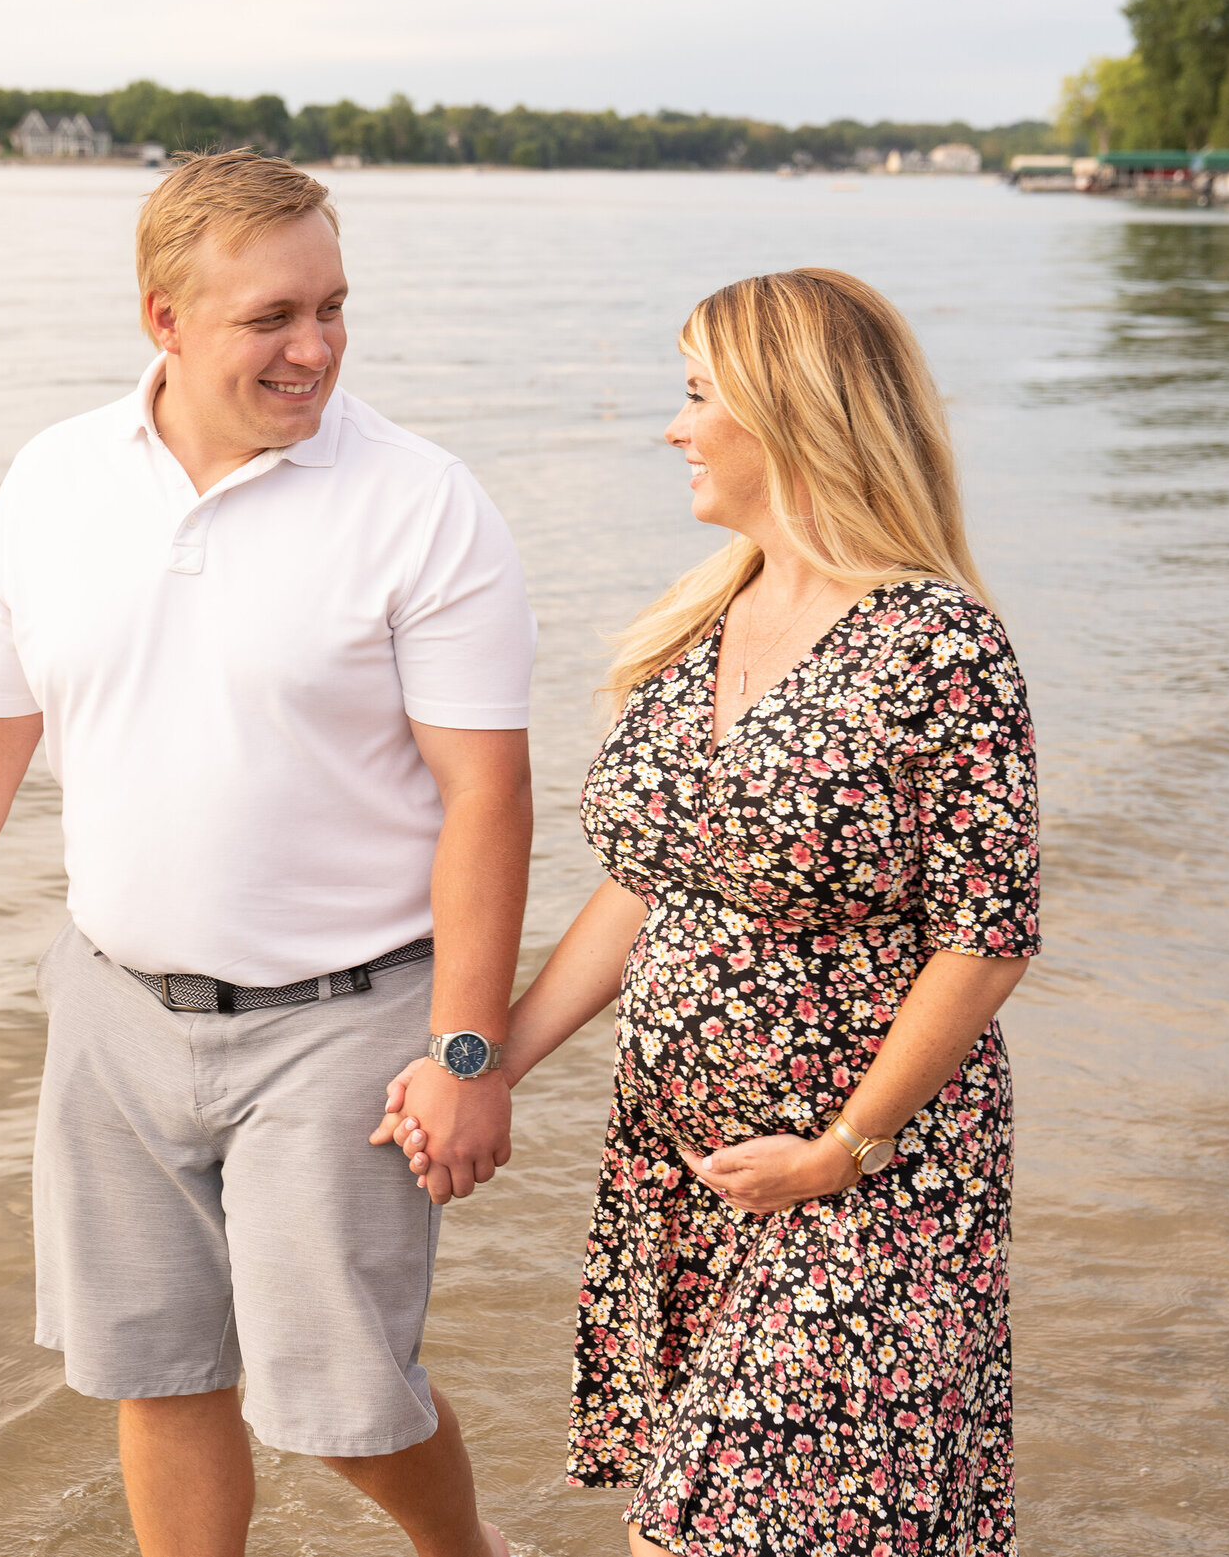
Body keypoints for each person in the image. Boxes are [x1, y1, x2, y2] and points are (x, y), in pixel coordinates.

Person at [0, 150, 533, 1557]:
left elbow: (489, 795)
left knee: (343, 1404)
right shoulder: (53, 479)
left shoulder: (419, 500)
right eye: (274, 316)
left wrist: (469, 1052)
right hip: (114, 1011)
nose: (316, 347)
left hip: (348, 1021)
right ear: (163, 319)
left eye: (334, 308)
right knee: (154, 1370)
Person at [384, 268, 1038, 1554]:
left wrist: (843, 1145)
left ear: (789, 411)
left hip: (870, 1175)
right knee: (725, 1515)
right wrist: (484, 1057)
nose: (673, 427)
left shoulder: (939, 644)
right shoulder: (704, 623)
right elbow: (644, 884)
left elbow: (986, 937)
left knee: (713, 1528)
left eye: (696, 395)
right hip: (690, 1170)